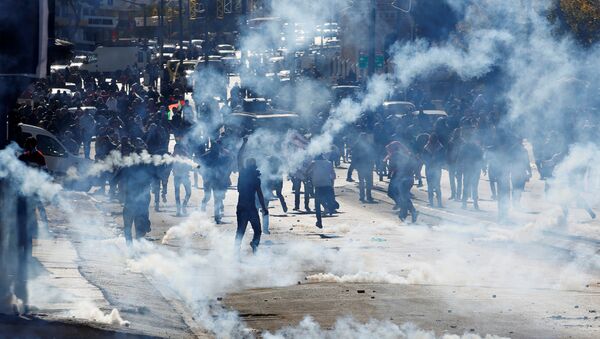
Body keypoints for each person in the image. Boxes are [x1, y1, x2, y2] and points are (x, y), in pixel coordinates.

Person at [235, 137, 268, 253]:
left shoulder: (244, 174)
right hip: (250, 208)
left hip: (243, 207)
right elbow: (260, 195)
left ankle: (236, 251)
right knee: (257, 231)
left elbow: (239, 157)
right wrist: (264, 208)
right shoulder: (255, 178)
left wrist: (244, 143)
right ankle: (254, 244)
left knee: (240, 231)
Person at [308, 153, 337, 229]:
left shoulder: (313, 163)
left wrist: (310, 179)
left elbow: (307, 172)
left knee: (317, 206)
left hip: (318, 186)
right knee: (329, 199)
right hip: (327, 185)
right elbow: (333, 176)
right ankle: (330, 207)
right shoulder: (329, 163)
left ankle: (319, 222)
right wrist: (331, 183)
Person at [351, 133, 375, 203]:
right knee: (367, 182)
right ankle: (367, 196)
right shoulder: (363, 145)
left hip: (364, 166)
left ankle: (364, 196)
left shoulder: (359, 144)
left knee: (364, 182)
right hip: (364, 166)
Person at [423, 133, 445, 208]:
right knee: (433, 186)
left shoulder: (439, 147)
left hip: (434, 168)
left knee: (434, 186)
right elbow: (424, 158)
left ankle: (436, 203)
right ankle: (434, 202)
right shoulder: (427, 147)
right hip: (431, 168)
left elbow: (442, 158)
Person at [172, 144, 193, 217]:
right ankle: (181, 208)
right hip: (182, 176)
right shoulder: (181, 155)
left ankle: (181, 208)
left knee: (180, 194)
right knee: (188, 192)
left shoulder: (176, 155)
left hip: (181, 176)